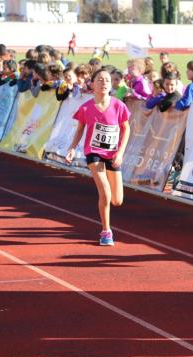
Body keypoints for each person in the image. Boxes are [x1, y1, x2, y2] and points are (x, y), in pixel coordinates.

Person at [66, 67, 131, 246]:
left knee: (117, 200)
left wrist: (120, 152)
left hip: (112, 154)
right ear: (92, 84)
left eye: (107, 80)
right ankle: (106, 232)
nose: (104, 83)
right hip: (93, 153)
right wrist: (72, 148)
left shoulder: (119, 106)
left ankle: (106, 221)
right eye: (100, 80)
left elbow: (126, 129)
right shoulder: (86, 108)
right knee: (105, 191)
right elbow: (79, 130)